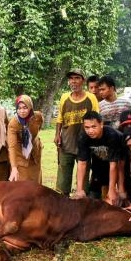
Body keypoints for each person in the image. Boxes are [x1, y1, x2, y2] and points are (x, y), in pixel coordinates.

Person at [54, 68, 99, 196]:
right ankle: (63, 203)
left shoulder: (91, 98)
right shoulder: (64, 98)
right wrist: (57, 134)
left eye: (77, 78)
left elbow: (96, 119)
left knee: (83, 179)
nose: (73, 81)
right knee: (63, 179)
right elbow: (60, 118)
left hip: (85, 144)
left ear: (83, 80)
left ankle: (82, 204)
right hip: (66, 142)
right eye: (71, 79)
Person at [72, 111, 127, 205]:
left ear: (101, 124)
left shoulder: (112, 135)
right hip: (99, 159)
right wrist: (79, 189)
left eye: (94, 127)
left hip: (119, 160)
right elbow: (81, 163)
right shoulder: (83, 137)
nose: (90, 131)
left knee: (118, 196)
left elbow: (114, 165)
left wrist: (112, 190)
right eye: (87, 127)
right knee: (94, 194)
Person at [7, 95, 43, 183]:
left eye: (25, 108)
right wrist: (14, 167)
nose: (22, 111)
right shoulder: (13, 123)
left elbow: (39, 127)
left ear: (30, 107)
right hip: (20, 154)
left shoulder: (37, 116)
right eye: (19, 108)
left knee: (36, 182)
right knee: (22, 184)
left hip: (35, 153)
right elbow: (12, 146)